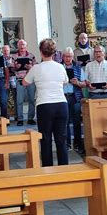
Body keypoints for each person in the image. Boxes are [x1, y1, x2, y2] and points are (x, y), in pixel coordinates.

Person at [23, 38, 69, 167]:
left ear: (40, 52)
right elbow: (65, 81)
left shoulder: (36, 68)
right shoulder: (60, 66)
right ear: (54, 52)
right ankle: (64, 169)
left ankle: (48, 170)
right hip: (61, 104)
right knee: (61, 139)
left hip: (45, 105)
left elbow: (25, 82)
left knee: (46, 139)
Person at [61, 47, 87, 154]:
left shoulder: (78, 68)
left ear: (73, 57)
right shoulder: (59, 68)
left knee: (76, 121)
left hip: (75, 96)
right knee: (65, 121)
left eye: (70, 56)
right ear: (63, 57)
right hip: (62, 97)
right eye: (66, 56)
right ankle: (66, 144)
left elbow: (85, 83)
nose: (68, 59)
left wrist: (78, 83)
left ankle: (77, 143)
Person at [11, 39, 37, 126]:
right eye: (20, 45)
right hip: (20, 80)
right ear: (18, 46)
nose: (22, 47)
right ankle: (20, 119)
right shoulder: (14, 56)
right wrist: (16, 67)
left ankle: (30, 118)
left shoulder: (31, 55)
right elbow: (11, 69)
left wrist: (31, 67)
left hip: (30, 80)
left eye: (23, 45)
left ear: (26, 46)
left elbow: (36, 67)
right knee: (19, 100)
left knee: (31, 100)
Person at [3, 44, 17, 119]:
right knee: (6, 98)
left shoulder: (13, 58)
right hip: (5, 79)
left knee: (15, 97)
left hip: (13, 79)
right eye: (4, 50)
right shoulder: (1, 58)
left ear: (9, 51)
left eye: (7, 50)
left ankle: (16, 115)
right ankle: (7, 116)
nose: (6, 52)